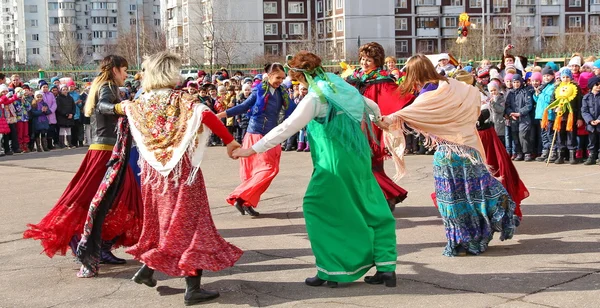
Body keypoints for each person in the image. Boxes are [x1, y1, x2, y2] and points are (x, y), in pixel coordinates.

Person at [233, 51, 398, 287]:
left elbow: (288, 127)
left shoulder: (316, 97)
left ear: (300, 76)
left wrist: (252, 149)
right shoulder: (339, 83)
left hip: (333, 163)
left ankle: (332, 269)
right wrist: (378, 118)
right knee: (371, 207)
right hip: (359, 157)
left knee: (318, 208)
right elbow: (369, 103)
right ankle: (386, 267)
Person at [118, 51, 243, 306]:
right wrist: (230, 141)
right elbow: (205, 115)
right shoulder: (179, 100)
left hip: (154, 174)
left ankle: (148, 270)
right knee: (193, 225)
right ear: (168, 72)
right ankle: (190, 288)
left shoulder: (140, 103)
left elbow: (122, 112)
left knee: (165, 223)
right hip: (182, 173)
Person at [382, 55, 517, 256]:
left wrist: (384, 120)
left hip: (447, 153)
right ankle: (488, 220)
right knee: (474, 195)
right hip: (468, 148)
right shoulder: (453, 84)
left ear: (415, 73)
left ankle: (461, 242)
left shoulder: (428, 93)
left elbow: (406, 115)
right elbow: (474, 98)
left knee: (453, 202)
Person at [23, 55, 143, 278]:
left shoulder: (103, 86)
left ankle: (100, 247)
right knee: (104, 201)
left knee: (120, 200)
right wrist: (121, 106)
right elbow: (105, 106)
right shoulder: (106, 87)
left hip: (109, 151)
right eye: (124, 70)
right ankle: (86, 246)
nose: (126, 74)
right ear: (115, 69)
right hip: (106, 154)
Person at [217, 63, 295, 217]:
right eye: (278, 77)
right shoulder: (259, 90)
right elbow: (243, 106)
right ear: (269, 75)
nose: (280, 80)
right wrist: (220, 115)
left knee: (268, 170)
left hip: (271, 135)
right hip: (255, 134)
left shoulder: (282, 92)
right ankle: (239, 196)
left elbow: (293, 109)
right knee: (265, 170)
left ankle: (247, 201)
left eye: (282, 78)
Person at [346, 42, 412, 211]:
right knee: (356, 163)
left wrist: (414, 99)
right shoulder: (355, 77)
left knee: (370, 161)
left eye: (368, 60)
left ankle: (386, 196)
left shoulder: (382, 79)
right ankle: (375, 198)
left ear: (377, 61)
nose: (364, 63)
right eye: (362, 59)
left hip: (370, 128)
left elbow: (396, 97)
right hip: (352, 125)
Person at [581, 75, 600, 165]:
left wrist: (599, 119)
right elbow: (584, 111)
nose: (598, 86)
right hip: (591, 124)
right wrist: (590, 120)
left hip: (599, 122)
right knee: (591, 141)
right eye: (596, 84)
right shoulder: (586, 97)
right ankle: (592, 156)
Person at [55, 84, 76, 149]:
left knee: (68, 130)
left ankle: (69, 143)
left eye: (66, 89)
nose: (65, 91)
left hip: (70, 117)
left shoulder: (70, 98)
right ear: (61, 90)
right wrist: (66, 114)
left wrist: (72, 114)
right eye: (63, 90)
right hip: (62, 117)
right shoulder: (58, 98)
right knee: (62, 130)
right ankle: (62, 144)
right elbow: (59, 108)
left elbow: (73, 107)